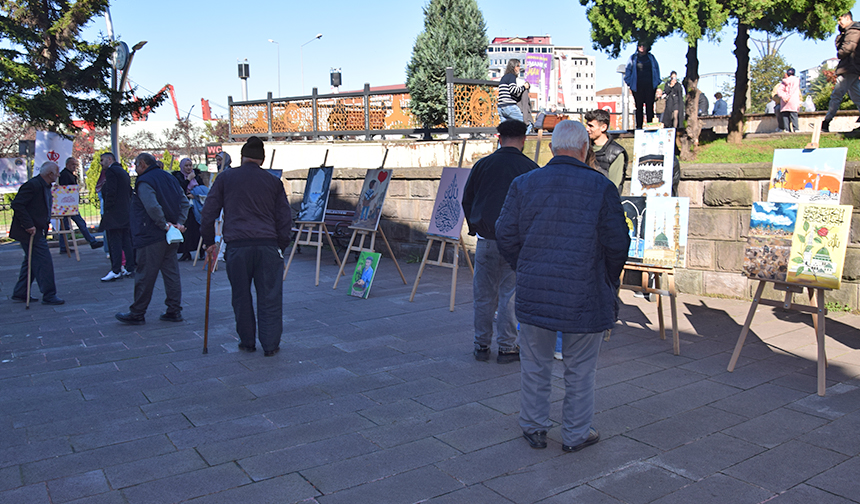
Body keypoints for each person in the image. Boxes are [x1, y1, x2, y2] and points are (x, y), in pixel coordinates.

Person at [496, 120, 629, 453]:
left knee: (535, 365)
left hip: (535, 291)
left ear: (553, 148)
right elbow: (617, 244)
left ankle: (534, 426)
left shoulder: (524, 184)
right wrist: (607, 278)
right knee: (580, 370)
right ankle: (575, 433)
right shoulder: (601, 187)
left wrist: (523, 267)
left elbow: (506, 234)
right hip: (585, 292)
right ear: (585, 149)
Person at [201, 136, 292, 357]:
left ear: (242, 157)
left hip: (238, 245)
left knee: (240, 296)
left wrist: (209, 242)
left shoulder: (225, 178)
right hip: (267, 244)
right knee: (270, 296)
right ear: (262, 159)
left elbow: (208, 213)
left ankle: (247, 341)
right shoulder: (273, 182)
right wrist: (280, 244)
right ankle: (270, 344)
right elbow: (284, 218)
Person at [461, 119, 539, 364]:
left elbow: (467, 199)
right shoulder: (531, 168)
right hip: (516, 242)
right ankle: (507, 347)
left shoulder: (483, 165)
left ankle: (481, 345)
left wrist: (475, 227)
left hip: (486, 238)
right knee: (510, 295)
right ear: (524, 139)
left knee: (483, 295)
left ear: (498, 137)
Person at [115, 153, 191, 325]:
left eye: (135, 164)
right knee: (171, 273)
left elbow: (152, 206)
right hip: (170, 235)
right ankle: (174, 309)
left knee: (145, 275)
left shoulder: (145, 181)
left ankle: (137, 312)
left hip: (151, 234)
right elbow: (184, 202)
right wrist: (178, 224)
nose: (134, 168)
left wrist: (164, 225)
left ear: (143, 164)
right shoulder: (169, 178)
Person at [9, 162, 65, 305]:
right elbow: (17, 204)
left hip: (37, 229)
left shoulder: (44, 186)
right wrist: (28, 225)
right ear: (50, 174)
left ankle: (20, 292)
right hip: (30, 231)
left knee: (31, 261)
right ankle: (49, 294)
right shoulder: (33, 185)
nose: (58, 175)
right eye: (57, 172)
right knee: (43, 261)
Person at [99, 152, 135, 282]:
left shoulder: (111, 172)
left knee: (115, 242)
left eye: (102, 160)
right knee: (126, 241)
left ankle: (116, 270)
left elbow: (111, 191)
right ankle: (130, 267)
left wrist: (108, 207)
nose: (101, 163)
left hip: (114, 213)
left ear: (110, 159)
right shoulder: (122, 171)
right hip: (125, 211)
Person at [822, 12, 860, 133]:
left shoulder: (853, 31)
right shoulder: (850, 31)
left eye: (840, 19)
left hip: (849, 67)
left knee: (837, 94)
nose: (839, 22)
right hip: (852, 67)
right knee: (857, 96)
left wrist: (840, 51)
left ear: (847, 18)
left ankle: (826, 121)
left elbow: (846, 49)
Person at [58, 157, 103, 254]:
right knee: (80, 223)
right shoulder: (66, 175)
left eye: (76, 165)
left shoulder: (67, 174)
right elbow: (67, 190)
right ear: (67, 165)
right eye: (73, 164)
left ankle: (63, 246)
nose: (75, 167)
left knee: (64, 226)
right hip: (69, 205)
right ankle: (91, 241)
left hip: (67, 205)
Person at [584, 109, 629, 192]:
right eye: (587, 125)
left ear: (603, 127)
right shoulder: (584, 148)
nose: (587, 129)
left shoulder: (616, 153)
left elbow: (613, 187)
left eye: (591, 126)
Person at [173, 158, 204, 261]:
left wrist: (195, 195)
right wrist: (187, 180)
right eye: (186, 166)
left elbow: (203, 190)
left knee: (199, 229)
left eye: (190, 165)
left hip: (197, 206)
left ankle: (201, 251)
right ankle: (186, 252)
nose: (188, 168)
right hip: (185, 207)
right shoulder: (178, 177)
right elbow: (178, 190)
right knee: (186, 230)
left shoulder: (197, 177)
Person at [624, 43, 661, 129]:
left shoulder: (651, 57)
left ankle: (650, 126)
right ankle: (639, 126)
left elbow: (656, 68)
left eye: (644, 45)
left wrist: (657, 81)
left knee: (649, 106)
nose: (642, 47)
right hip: (637, 86)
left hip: (650, 86)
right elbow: (628, 70)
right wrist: (629, 82)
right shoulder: (633, 58)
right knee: (639, 106)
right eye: (640, 45)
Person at [498, 59, 529, 123]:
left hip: (501, 107)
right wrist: (524, 87)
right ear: (515, 67)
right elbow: (513, 90)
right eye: (519, 66)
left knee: (505, 129)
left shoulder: (504, 77)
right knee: (523, 123)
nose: (520, 68)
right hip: (509, 106)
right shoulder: (512, 76)